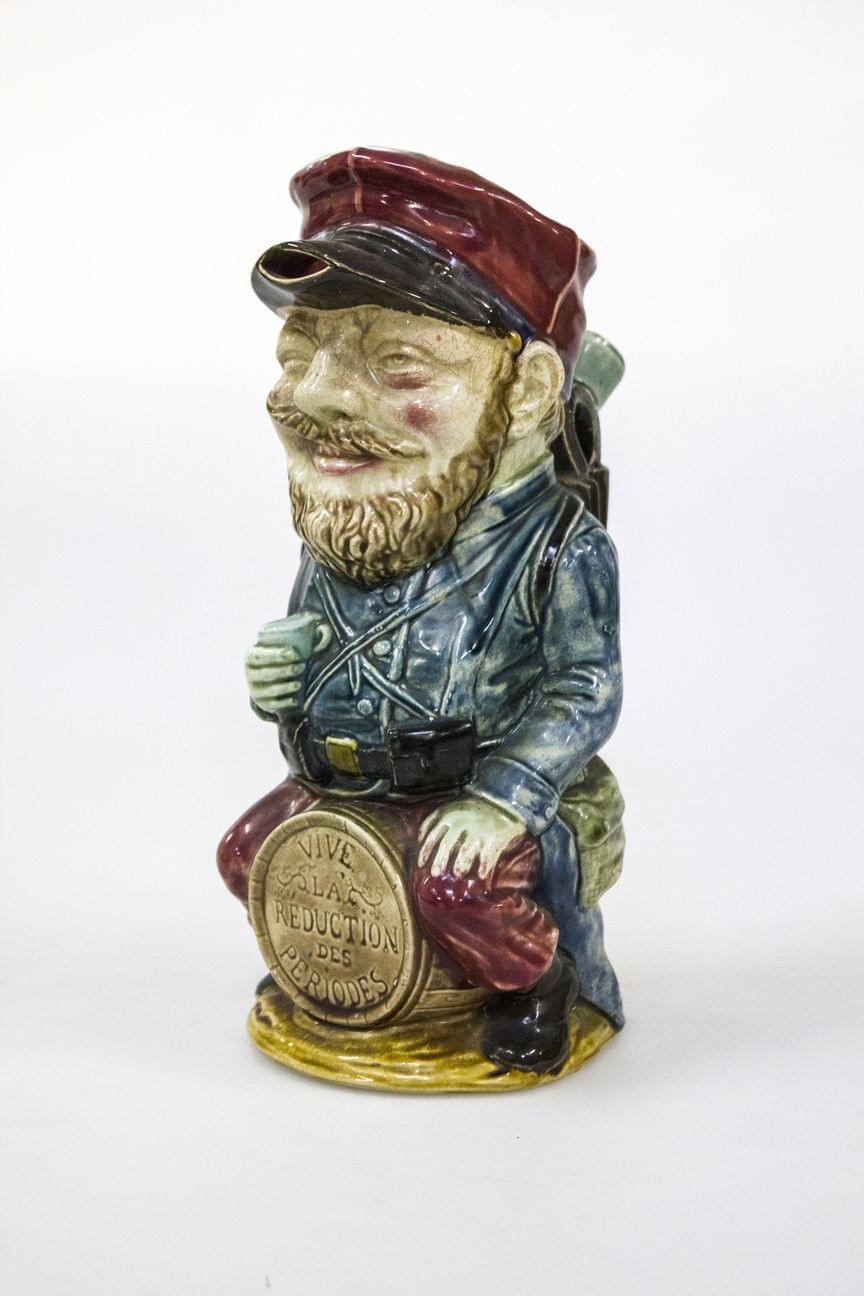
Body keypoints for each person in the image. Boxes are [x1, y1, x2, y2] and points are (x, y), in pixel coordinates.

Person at [218, 147, 625, 1074]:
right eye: (300, 354)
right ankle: (341, 979)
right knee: (247, 855)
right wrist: (282, 673)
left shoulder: (559, 549)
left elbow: (585, 688)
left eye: (398, 363)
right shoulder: (359, 511)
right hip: (348, 780)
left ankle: (537, 988)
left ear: (527, 392)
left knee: (456, 890)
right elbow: (316, 639)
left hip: (472, 791)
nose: (312, 398)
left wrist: (503, 799)